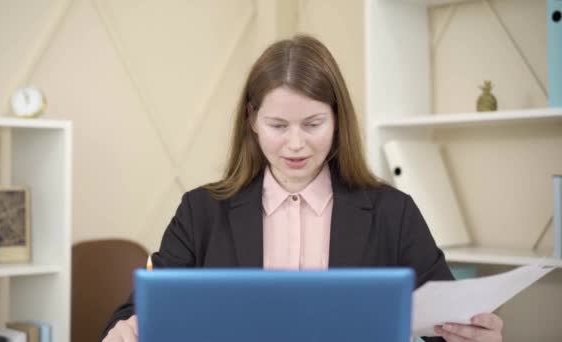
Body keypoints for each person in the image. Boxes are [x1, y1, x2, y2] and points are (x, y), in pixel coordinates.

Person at [101, 35, 503, 342]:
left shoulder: (392, 212)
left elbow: (446, 317)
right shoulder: (201, 210)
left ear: (337, 121)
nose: (295, 144)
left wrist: (475, 334)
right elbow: (139, 308)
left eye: (313, 124)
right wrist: (127, 328)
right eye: (278, 126)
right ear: (252, 120)